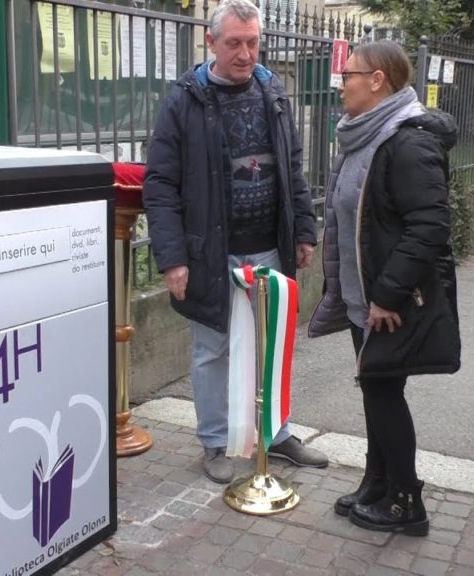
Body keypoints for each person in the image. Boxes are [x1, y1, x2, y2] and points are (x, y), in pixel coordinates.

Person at [143, 0, 328, 483]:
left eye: (252, 42)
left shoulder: (272, 89)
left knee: (272, 345)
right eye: (234, 44)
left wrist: (304, 229)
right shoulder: (184, 99)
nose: (245, 54)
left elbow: (292, 165)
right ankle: (215, 442)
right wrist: (172, 258)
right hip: (211, 252)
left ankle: (276, 433)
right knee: (213, 349)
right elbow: (160, 184)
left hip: (269, 244)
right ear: (211, 42)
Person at [308, 40, 461, 535]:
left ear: (377, 80)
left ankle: (406, 503)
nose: (341, 85)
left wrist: (388, 294)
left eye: (348, 75)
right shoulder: (363, 135)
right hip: (364, 299)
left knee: (384, 393)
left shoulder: (406, 141)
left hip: (388, 302)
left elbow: (429, 225)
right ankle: (377, 483)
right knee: (375, 391)